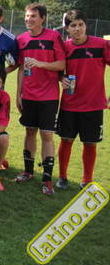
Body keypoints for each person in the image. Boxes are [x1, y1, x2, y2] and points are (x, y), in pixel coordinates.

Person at [56, 10, 110, 190]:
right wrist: (61, 78)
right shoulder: (64, 47)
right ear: (67, 29)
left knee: (90, 143)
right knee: (66, 140)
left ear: (86, 25)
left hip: (94, 105)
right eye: (73, 25)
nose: (77, 29)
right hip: (69, 104)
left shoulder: (101, 45)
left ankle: (87, 179)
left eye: (81, 24)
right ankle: (62, 177)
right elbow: (57, 69)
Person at [15, 3, 65, 195]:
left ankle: (47, 179)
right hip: (28, 95)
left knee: (46, 136)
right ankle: (28, 171)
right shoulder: (21, 39)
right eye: (27, 16)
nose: (28, 19)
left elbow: (61, 64)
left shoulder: (53, 36)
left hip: (48, 96)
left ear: (42, 18)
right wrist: (18, 93)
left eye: (33, 16)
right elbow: (21, 68)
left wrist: (41, 64)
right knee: (29, 132)